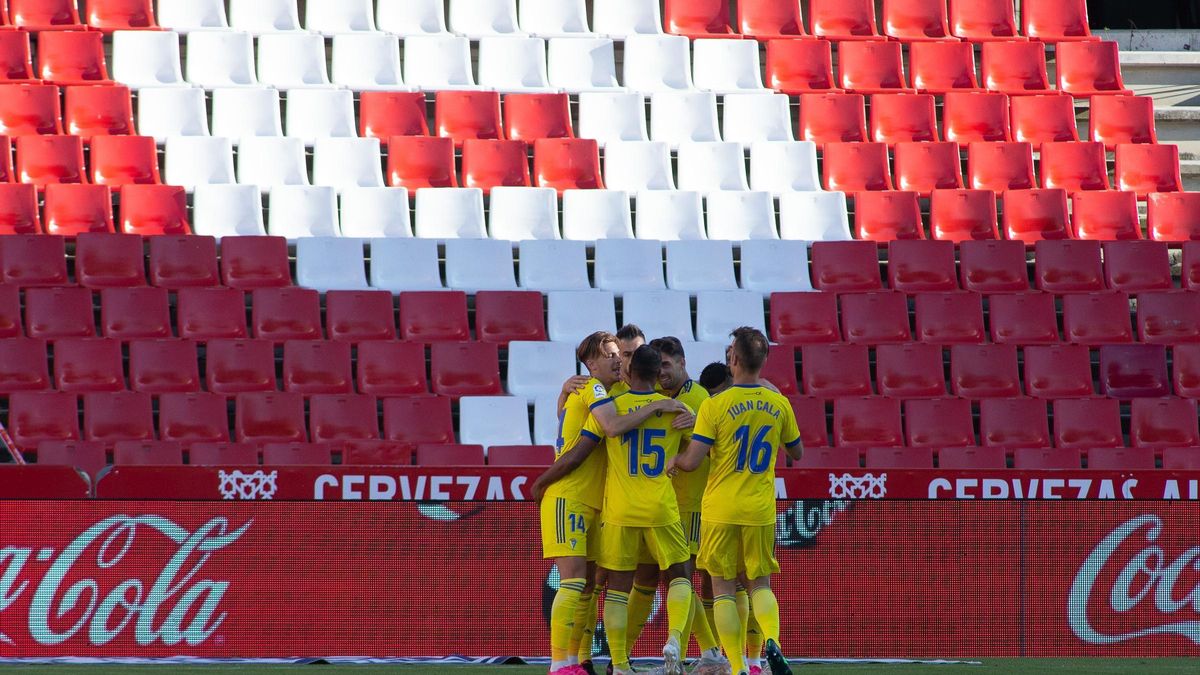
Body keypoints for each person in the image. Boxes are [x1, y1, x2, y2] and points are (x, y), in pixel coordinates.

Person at [535, 346, 696, 675]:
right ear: (656, 375)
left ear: (629, 371)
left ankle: (619, 664)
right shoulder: (676, 410)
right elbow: (698, 454)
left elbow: (578, 446)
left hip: (619, 511)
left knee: (616, 590)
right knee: (680, 576)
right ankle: (675, 641)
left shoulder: (613, 408)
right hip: (661, 507)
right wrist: (678, 455)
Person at [667, 328, 805, 675]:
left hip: (720, 508)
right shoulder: (779, 403)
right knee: (759, 583)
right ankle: (771, 640)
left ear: (734, 360)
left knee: (723, 588)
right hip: (759, 508)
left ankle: (736, 665)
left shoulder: (715, 405)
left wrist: (675, 461)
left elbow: (693, 460)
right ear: (764, 361)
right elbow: (797, 452)